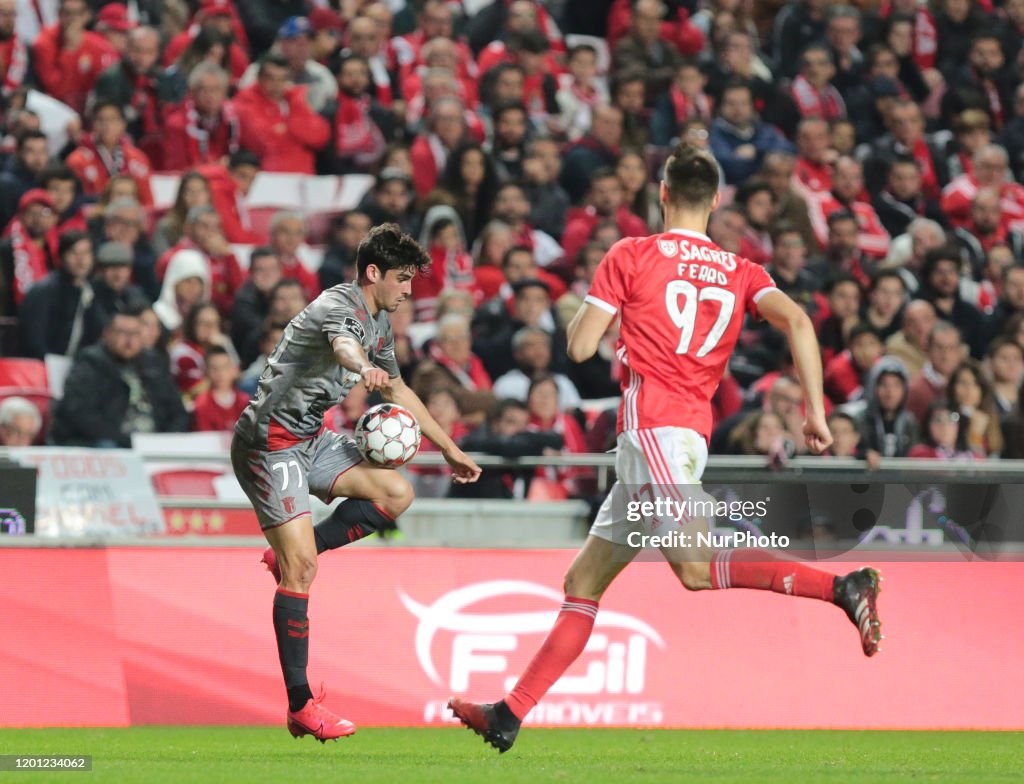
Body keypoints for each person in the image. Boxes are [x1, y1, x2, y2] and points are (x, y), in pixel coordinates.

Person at [448, 143, 883, 753]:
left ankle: (843, 588)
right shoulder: (742, 271)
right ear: (714, 203)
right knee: (585, 579)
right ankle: (510, 713)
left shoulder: (631, 254)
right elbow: (802, 324)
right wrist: (814, 410)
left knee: (695, 568)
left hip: (654, 426)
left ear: (662, 195)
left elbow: (577, 350)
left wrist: (591, 313)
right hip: (681, 434)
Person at [232, 223, 481, 741]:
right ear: (374, 273)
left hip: (311, 438)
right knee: (302, 572)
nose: (410, 290)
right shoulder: (338, 308)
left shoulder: (380, 323)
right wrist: (361, 366)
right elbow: (344, 347)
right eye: (403, 278)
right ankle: (301, 704)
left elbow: (401, 388)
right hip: (270, 442)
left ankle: (294, 553)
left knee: (397, 492)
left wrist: (450, 448)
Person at [49, 305, 189, 447]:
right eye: (122, 333)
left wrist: (169, 439)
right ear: (107, 334)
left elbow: (177, 411)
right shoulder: (90, 362)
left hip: (153, 442)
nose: (129, 341)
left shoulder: (154, 363)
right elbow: (78, 412)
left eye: (135, 334)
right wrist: (125, 440)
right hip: (108, 441)